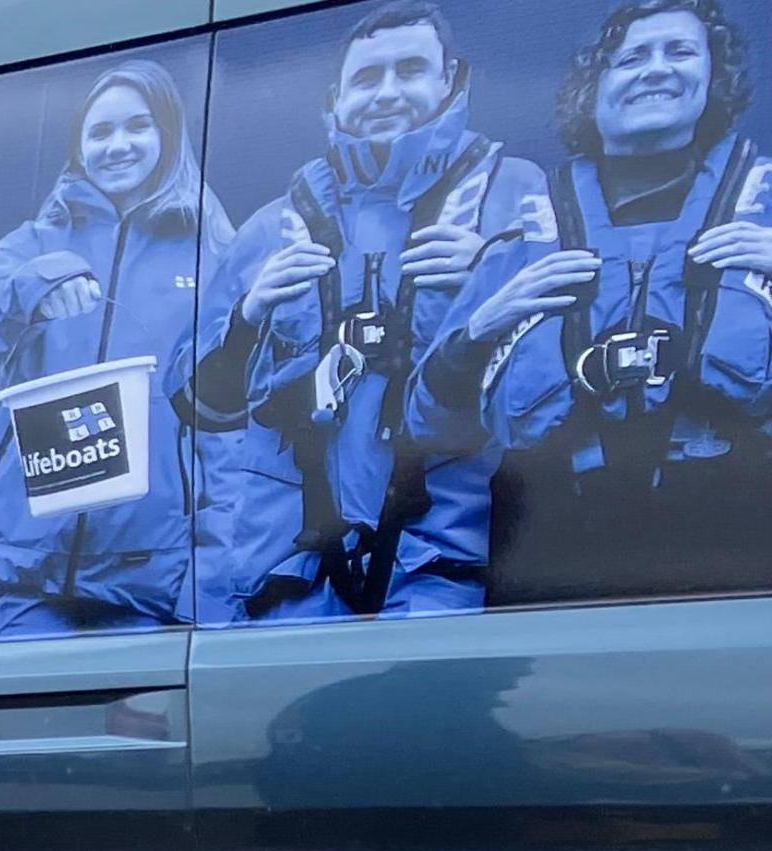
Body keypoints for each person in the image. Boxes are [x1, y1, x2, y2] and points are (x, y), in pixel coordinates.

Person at [187, 1, 550, 618]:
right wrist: (247, 316)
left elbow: (564, 383)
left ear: (451, 80)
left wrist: (490, 269)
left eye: (409, 70)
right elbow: (198, 405)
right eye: (366, 77)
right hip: (286, 578)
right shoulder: (269, 228)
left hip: (443, 574)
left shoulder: (517, 193)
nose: (386, 92)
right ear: (334, 99)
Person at [415, 0, 772, 605]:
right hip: (554, 581)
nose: (656, 69)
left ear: (714, 78)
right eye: (631, 57)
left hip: (744, 580)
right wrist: (480, 328)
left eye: (679, 51)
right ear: (594, 86)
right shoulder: (521, 244)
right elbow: (426, 425)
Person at [0, 60, 232, 637]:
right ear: (79, 147)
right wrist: (38, 283)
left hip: (152, 582)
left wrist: (207, 579)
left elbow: (231, 422)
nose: (118, 145)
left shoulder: (214, 248)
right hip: (25, 573)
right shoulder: (34, 239)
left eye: (137, 126)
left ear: (168, 133)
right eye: (100, 132)